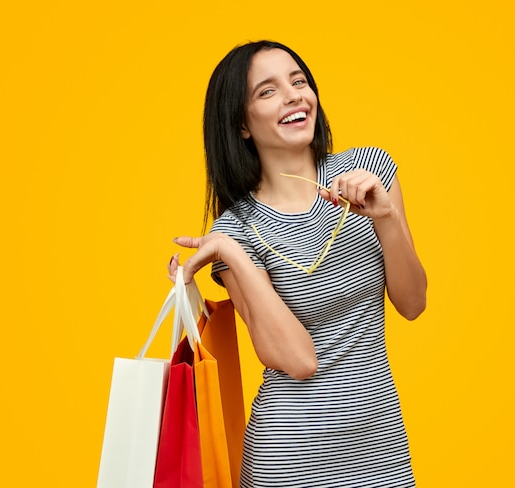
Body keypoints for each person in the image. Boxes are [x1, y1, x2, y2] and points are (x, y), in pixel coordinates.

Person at [169, 40, 427, 488]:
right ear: (242, 125)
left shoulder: (370, 171)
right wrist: (231, 252)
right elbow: (297, 360)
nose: (293, 96)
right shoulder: (236, 229)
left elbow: (413, 302)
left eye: (298, 81)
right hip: (289, 455)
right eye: (267, 91)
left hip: (380, 444)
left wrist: (385, 217)